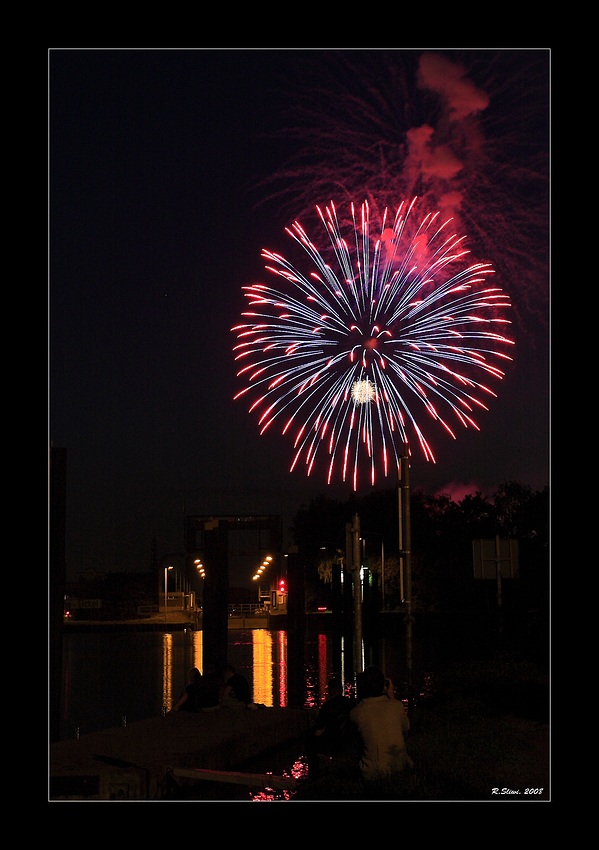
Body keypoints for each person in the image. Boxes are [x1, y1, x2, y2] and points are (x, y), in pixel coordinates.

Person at [350, 666, 413, 783]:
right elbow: (406, 728)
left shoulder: (356, 712)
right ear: (384, 685)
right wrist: (391, 697)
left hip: (371, 773)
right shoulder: (397, 706)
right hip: (399, 769)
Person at [307, 677, 356, 779]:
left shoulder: (326, 707)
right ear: (341, 689)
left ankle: (314, 777)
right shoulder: (351, 703)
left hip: (333, 742)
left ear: (329, 691)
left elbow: (318, 731)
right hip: (350, 741)